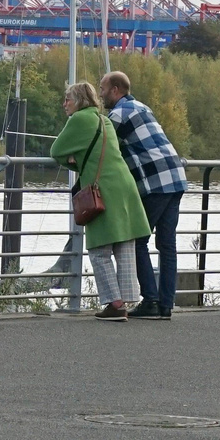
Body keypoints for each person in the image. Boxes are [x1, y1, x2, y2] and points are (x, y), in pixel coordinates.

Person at [50, 79, 150, 320]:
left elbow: (55, 151)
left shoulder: (80, 119)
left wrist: (69, 160)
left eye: (68, 99)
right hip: (124, 186)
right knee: (124, 245)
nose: (64, 104)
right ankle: (125, 300)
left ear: (80, 101)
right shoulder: (104, 119)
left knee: (99, 250)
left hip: (102, 189)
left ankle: (114, 305)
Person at [102, 71, 186, 320]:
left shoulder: (117, 115)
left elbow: (101, 146)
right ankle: (165, 306)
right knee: (167, 246)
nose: (101, 93)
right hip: (176, 177)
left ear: (116, 89)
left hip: (155, 183)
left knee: (138, 240)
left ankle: (150, 300)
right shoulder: (142, 107)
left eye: (103, 88)